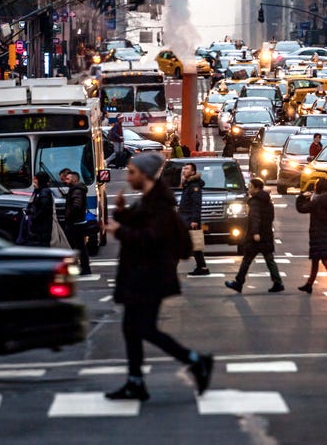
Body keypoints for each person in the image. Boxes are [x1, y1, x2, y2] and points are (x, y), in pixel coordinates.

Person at [103, 152, 214, 402]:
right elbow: (140, 225)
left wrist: (120, 230)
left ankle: (195, 361)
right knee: (133, 328)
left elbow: (151, 239)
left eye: (132, 172)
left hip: (150, 275)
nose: (128, 176)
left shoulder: (159, 204)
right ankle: (136, 381)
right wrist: (121, 213)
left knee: (142, 328)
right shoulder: (149, 200)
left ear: (144, 174)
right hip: (141, 274)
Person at [226, 178, 283, 293]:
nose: (249, 188)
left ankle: (238, 282)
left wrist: (255, 232)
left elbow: (255, 218)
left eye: (250, 186)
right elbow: (270, 217)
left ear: (256, 188)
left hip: (257, 236)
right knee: (269, 259)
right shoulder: (267, 200)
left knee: (247, 259)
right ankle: (277, 282)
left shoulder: (255, 202)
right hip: (266, 234)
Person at [295, 178, 327, 295]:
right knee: (316, 260)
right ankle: (309, 284)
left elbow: (302, 208)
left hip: (317, 233)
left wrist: (302, 197)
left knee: (323, 259)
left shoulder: (317, 201)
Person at [179, 163, 210, 276]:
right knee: (194, 245)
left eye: (187, 168)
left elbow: (196, 204)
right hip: (185, 219)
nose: (184, 170)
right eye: (183, 168)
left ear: (193, 172)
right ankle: (202, 267)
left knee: (193, 244)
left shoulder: (194, 186)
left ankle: (202, 267)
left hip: (189, 219)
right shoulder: (188, 184)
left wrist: (195, 220)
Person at [62, 168, 92, 275]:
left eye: (68, 179)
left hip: (75, 224)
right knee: (80, 247)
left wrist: (69, 215)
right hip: (78, 223)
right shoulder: (77, 190)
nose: (66, 181)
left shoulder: (77, 191)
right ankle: (84, 268)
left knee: (70, 247)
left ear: (74, 180)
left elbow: (76, 206)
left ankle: (78, 269)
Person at [21, 172, 55, 247]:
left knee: (42, 245)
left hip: (42, 226)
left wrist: (34, 217)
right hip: (39, 226)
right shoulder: (38, 191)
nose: (33, 181)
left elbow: (44, 208)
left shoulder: (44, 192)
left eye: (35, 179)